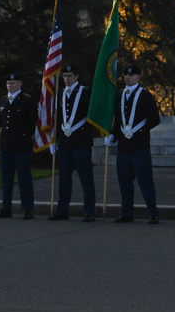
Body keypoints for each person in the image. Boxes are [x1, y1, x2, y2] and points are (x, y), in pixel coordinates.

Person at [103, 65, 162, 224]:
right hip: (124, 147)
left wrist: (138, 131)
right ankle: (127, 213)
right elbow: (118, 121)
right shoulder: (120, 95)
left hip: (140, 146)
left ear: (139, 76)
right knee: (124, 182)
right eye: (125, 75)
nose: (127, 77)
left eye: (131, 75)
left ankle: (152, 212)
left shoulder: (145, 95)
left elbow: (154, 119)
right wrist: (113, 135)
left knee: (145, 181)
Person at [0, 72, 37, 219]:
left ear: (20, 84)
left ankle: (28, 209)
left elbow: (33, 123)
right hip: (6, 146)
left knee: (24, 179)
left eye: (13, 83)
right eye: (8, 83)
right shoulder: (3, 101)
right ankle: (6, 208)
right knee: (6, 179)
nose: (10, 85)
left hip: (22, 146)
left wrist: (26, 137)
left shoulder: (27, 101)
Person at [49, 64, 97, 222]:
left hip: (81, 142)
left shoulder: (85, 92)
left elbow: (93, 115)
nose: (66, 79)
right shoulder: (60, 94)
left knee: (86, 178)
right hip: (64, 143)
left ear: (77, 77)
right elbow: (58, 119)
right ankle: (62, 211)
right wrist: (53, 139)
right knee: (63, 180)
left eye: (70, 76)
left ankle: (89, 210)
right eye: (64, 76)